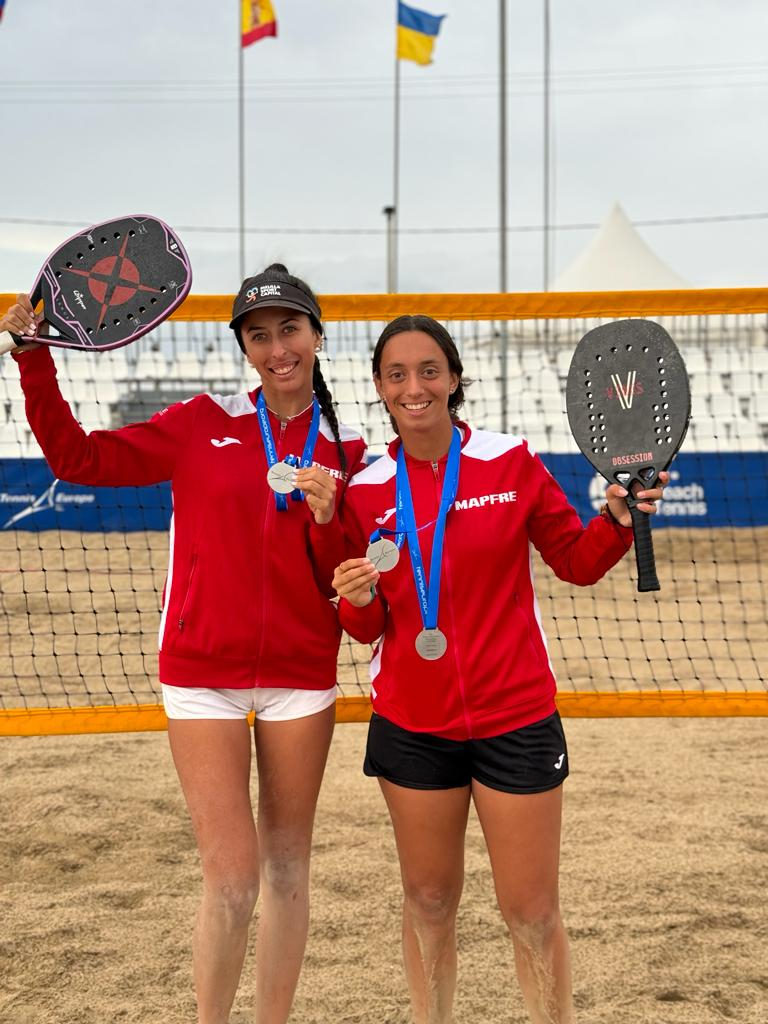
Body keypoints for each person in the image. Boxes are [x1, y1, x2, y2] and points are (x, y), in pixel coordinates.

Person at [1, 264, 367, 1024]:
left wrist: (332, 518)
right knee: (231, 882)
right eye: (259, 336)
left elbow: (354, 584)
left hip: (301, 674)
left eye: (289, 330)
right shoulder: (200, 421)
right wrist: (33, 357)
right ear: (245, 349)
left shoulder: (351, 448)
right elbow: (78, 459)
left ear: (317, 336)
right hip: (202, 673)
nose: (277, 349)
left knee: (288, 871)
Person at [332, 314, 668, 1024]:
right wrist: (357, 601)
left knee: (533, 910)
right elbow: (366, 624)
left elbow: (575, 563)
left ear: (454, 378)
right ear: (379, 388)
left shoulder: (509, 460)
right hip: (414, 728)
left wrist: (614, 518)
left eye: (429, 370)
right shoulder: (366, 487)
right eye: (397, 374)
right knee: (427, 902)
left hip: (515, 718)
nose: (415, 386)